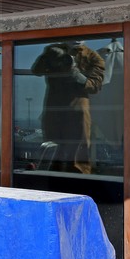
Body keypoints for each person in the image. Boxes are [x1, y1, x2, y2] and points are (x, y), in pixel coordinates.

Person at [31, 39, 105, 174]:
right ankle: (53, 179)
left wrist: (76, 74)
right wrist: (47, 57)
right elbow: (36, 70)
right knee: (53, 150)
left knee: (78, 154)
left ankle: (79, 182)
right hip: (54, 109)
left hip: (77, 111)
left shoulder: (93, 57)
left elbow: (95, 86)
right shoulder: (53, 50)